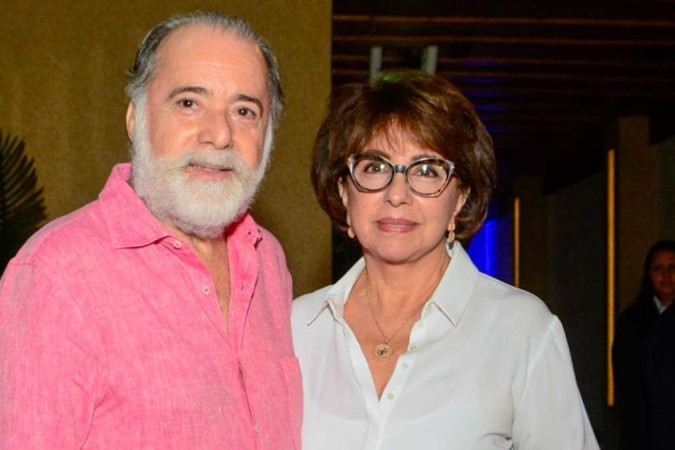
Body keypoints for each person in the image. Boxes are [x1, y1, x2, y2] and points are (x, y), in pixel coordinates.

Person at [0, 11, 301, 449]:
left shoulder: (268, 260)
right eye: (189, 103)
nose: (220, 134)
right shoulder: (55, 274)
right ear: (135, 118)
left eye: (244, 111)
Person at [292, 71, 599, 449]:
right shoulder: (297, 329)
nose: (397, 194)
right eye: (375, 167)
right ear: (344, 191)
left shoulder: (521, 330)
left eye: (426, 171)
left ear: (460, 198)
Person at [613, 239, 675, 450]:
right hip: (643, 434)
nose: (666, 275)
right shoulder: (631, 323)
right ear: (648, 274)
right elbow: (626, 386)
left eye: (672, 268)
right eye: (658, 269)